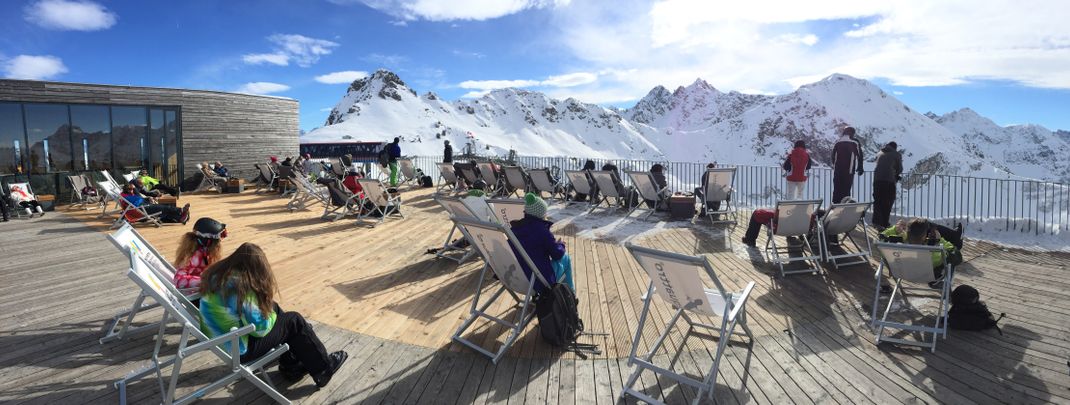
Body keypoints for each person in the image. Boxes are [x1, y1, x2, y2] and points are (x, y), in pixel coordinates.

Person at [199, 243, 348, 387]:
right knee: (293, 320)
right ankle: (323, 369)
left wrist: (270, 310)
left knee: (278, 312)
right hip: (239, 350)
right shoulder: (241, 287)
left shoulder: (218, 276)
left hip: (218, 341)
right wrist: (271, 314)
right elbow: (260, 330)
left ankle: (292, 362)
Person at [509, 193, 573, 292]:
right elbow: (557, 254)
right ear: (542, 214)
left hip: (517, 277)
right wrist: (561, 245)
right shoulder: (542, 231)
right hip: (537, 281)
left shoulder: (515, 228)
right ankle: (569, 296)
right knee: (566, 258)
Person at [880, 218, 961, 288]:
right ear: (924, 236)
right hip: (928, 277)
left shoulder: (897, 246)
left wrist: (894, 229)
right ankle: (943, 289)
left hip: (902, 274)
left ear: (907, 232)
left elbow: (881, 239)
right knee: (950, 262)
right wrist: (939, 241)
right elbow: (957, 256)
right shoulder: (935, 254)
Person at [173, 218, 227, 290]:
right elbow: (179, 280)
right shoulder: (194, 257)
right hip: (195, 294)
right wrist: (207, 281)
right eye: (217, 243)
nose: (219, 245)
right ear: (208, 242)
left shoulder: (204, 252)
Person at [120, 182, 190, 224]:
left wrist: (147, 198)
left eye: (132, 189)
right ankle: (180, 210)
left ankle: (180, 218)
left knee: (163, 211)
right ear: (126, 190)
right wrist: (135, 189)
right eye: (130, 189)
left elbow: (139, 198)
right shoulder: (126, 197)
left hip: (143, 205)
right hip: (141, 209)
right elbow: (138, 199)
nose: (132, 191)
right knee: (163, 208)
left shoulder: (128, 195)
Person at [871, 142, 903, 229]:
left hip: (877, 180)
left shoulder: (880, 153)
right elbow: (900, 168)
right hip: (889, 181)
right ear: (895, 148)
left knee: (878, 201)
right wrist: (895, 174)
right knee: (888, 201)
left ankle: (876, 222)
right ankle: (884, 223)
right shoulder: (896, 154)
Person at [832, 126, 864, 204]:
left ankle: (834, 210)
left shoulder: (838, 142)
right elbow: (860, 155)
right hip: (848, 171)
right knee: (846, 192)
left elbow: (833, 157)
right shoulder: (855, 142)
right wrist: (860, 168)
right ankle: (844, 211)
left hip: (837, 171)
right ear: (852, 133)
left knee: (837, 191)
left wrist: (836, 166)